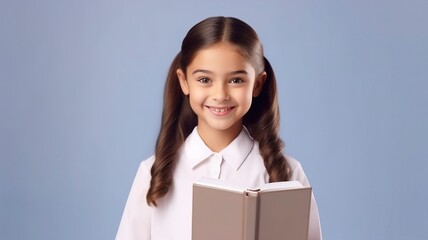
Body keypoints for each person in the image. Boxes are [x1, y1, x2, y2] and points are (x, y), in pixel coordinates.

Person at [116, 16, 322, 240]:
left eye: (236, 80)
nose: (220, 95)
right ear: (184, 81)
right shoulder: (152, 173)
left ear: (258, 84)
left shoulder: (289, 175)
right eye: (204, 80)